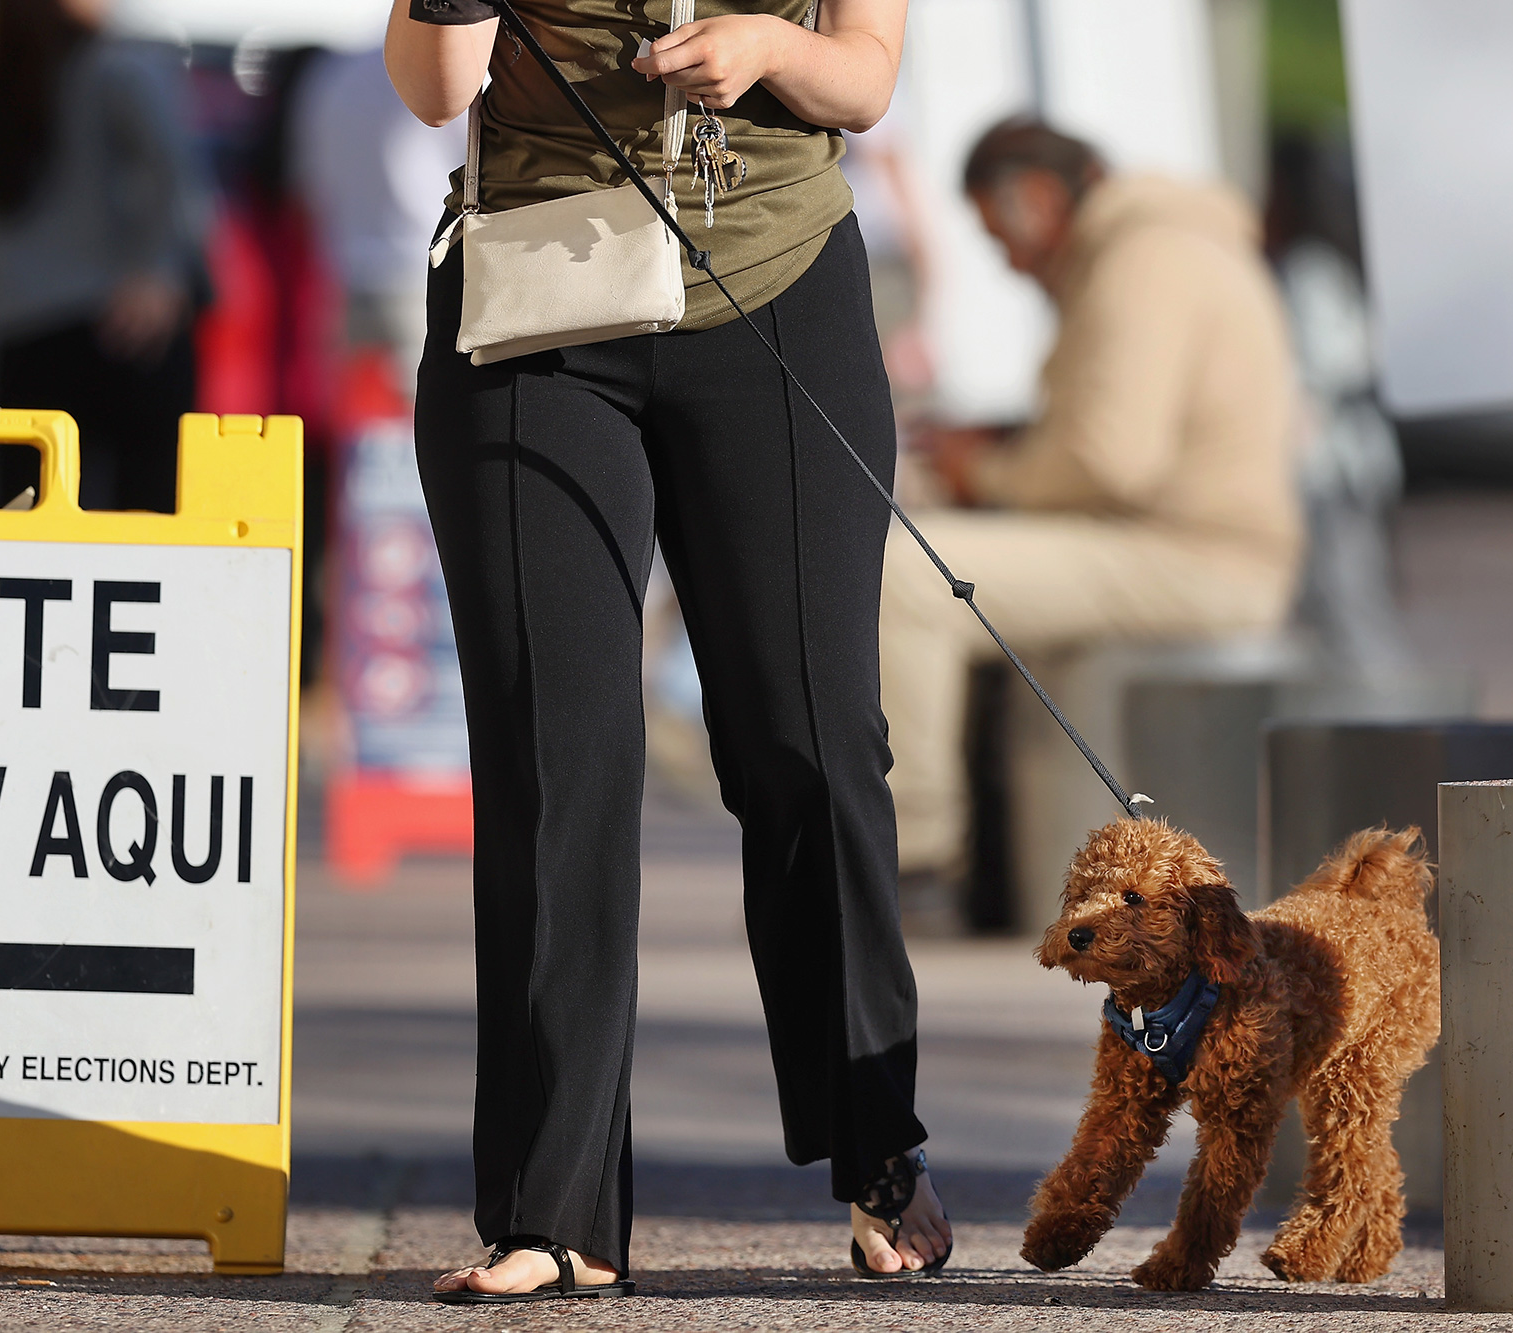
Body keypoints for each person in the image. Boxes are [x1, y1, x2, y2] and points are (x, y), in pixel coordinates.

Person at [386, 0, 951, 1301]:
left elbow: (864, 79)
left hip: (775, 284)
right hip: (538, 305)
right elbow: (431, 86)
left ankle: (876, 1143)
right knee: (555, 757)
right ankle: (551, 1206)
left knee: (806, 743)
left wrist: (765, 52)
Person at [880, 118, 1301, 882]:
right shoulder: (1167, 244)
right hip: (1185, 542)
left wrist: (991, 473)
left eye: (997, 235)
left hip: (1197, 559)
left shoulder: (1142, 259)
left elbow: (1110, 458)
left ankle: (917, 847)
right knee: (928, 532)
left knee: (907, 574)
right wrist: (1000, 446)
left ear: (1037, 199)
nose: (1007, 262)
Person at [0, 0, 205, 512]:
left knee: (28, 529)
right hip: (125, 329)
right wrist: (159, 269)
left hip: (21, 335)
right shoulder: (116, 66)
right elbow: (175, 174)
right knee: (146, 530)